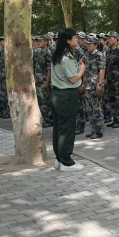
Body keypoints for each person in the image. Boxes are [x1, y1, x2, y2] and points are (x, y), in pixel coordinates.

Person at [50, 28, 86, 172]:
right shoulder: (67, 58)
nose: (77, 40)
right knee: (67, 129)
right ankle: (66, 161)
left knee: (59, 128)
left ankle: (59, 159)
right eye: (75, 38)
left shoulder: (57, 55)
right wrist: (82, 69)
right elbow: (73, 79)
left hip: (56, 94)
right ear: (68, 41)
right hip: (67, 95)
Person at [83, 37, 106, 140]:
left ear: (96, 45)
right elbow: (84, 70)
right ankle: (93, 129)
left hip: (95, 84)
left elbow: (102, 70)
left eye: (90, 44)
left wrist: (99, 84)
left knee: (97, 109)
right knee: (89, 109)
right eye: (87, 44)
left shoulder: (99, 55)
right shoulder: (87, 55)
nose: (88, 46)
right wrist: (83, 83)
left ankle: (99, 131)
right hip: (88, 84)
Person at [104, 31, 119, 129]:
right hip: (110, 79)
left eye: (111, 38)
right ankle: (115, 119)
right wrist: (105, 78)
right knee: (111, 99)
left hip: (117, 79)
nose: (109, 40)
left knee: (118, 100)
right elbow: (106, 65)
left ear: (116, 39)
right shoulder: (108, 50)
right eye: (108, 38)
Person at [33, 35, 53, 128]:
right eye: (38, 41)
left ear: (46, 42)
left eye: (40, 41)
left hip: (44, 80)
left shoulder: (47, 53)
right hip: (38, 80)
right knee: (41, 101)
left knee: (45, 101)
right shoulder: (38, 53)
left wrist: (47, 82)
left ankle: (49, 120)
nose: (38, 43)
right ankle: (45, 119)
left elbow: (50, 69)